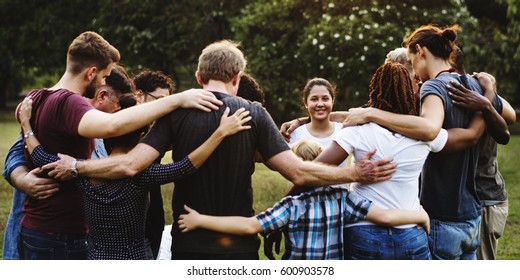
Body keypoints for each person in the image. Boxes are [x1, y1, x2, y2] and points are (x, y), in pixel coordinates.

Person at [42, 40, 397, 260]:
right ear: (238, 76)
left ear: (199, 77)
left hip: (188, 244)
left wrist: (77, 168)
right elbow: (299, 172)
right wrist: (352, 172)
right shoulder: (254, 113)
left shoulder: (176, 112)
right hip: (238, 247)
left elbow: (131, 166)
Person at [15, 31, 222, 260]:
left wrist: (27, 128)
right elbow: (114, 125)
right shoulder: (70, 103)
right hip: (62, 236)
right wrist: (179, 101)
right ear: (92, 72)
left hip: (34, 228)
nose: (105, 81)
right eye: (104, 75)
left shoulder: (37, 98)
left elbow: (43, 156)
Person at [338, 24, 505, 259]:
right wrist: (489, 95)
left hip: (439, 212)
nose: (414, 72)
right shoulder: (476, 85)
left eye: (411, 59)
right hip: (470, 213)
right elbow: (494, 125)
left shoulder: (432, 86)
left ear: (420, 51)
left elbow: (428, 128)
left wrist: (371, 114)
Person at [18, 94, 252, 259]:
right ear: (141, 138)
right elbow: (185, 167)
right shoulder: (142, 175)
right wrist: (220, 133)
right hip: (135, 259)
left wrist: (26, 123)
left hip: (96, 260)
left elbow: (39, 156)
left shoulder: (79, 171)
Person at [177, 138, 431, 260]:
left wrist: (200, 221)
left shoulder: (292, 206)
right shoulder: (343, 200)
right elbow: (385, 216)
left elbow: (249, 226)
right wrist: (420, 215)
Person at [310, 62, 447, 259]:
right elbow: (468, 137)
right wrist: (486, 104)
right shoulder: (426, 133)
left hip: (363, 232)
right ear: (409, 91)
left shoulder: (358, 130)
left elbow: (313, 171)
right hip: (410, 231)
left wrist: (285, 205)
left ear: (375, 90)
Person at [1, 64, 134, 260]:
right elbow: (18, 153)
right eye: (118, 107)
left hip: (80, 236)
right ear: (102, 95)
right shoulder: (61, 113)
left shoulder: (105, 135)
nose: (118, 114)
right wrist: (22, 180)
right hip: (47, 234)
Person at [450, 47, 516, 260]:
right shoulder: (480, 88)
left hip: (484, 197)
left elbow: (509, 121)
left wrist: (488, 98)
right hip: (465, 200)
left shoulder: (477, 89)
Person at [133, 69, 175, 260]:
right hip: (131, 217)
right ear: (139, 95)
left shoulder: (160, 128)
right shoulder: (125, 129)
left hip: (154, 213)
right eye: (159, 100)